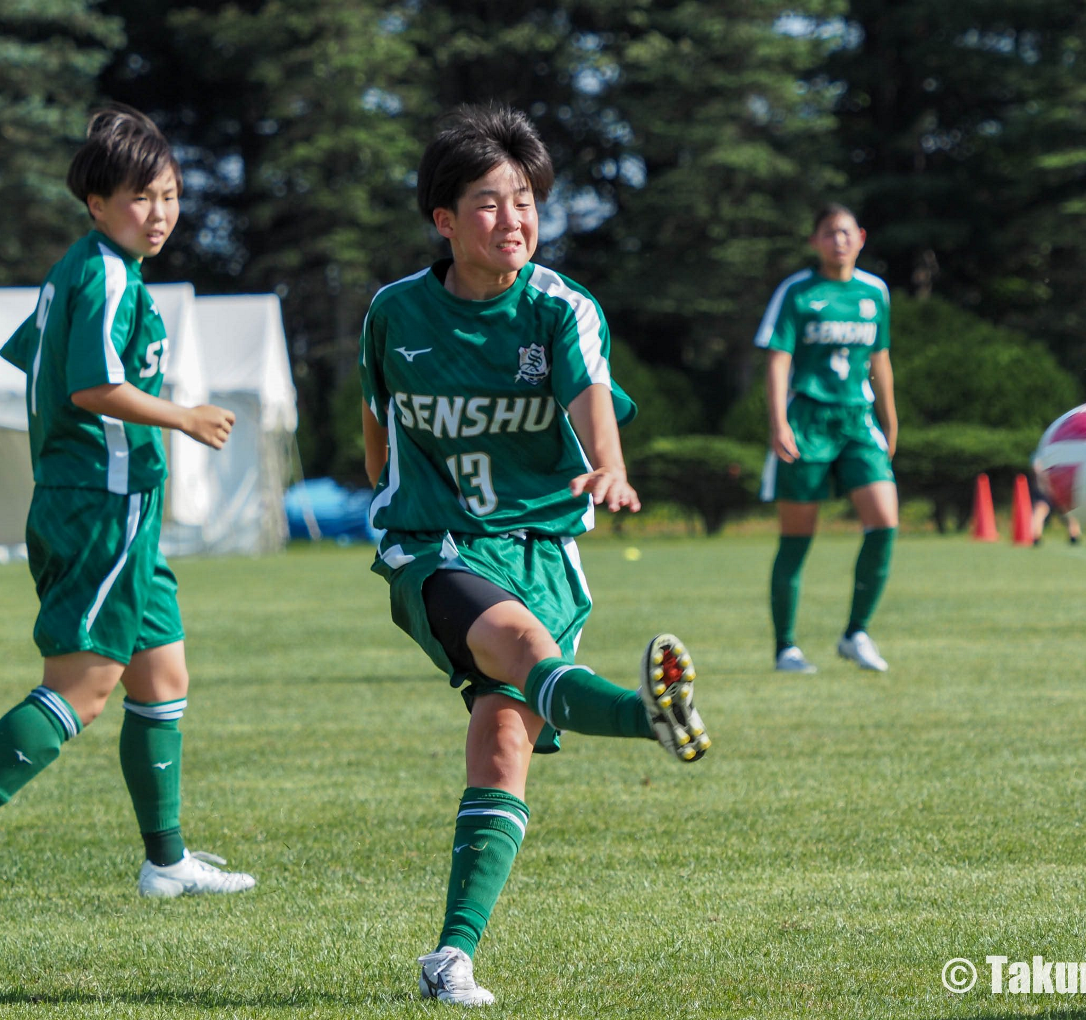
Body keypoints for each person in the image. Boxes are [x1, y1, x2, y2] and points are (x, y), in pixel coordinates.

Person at [359, 103, 711, 1007]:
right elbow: (376, 422)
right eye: (488, 202)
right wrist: (394, 493)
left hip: (544, 549)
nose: (513, 219)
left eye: (524, 200)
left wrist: (611, 468)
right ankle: (648, 716)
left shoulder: (559, 307)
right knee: (523, 654)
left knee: (505, 743)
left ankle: (451, 956)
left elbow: (592, 391)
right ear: (444, 220)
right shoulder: (395, 313)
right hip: (433, 546)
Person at [0, 106, 255, 910]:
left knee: (162, 677)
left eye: (170, 194)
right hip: (99, 507)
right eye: (139, 198)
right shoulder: (106, 273)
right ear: (96, 201)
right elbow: (90, 386)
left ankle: (167, 862)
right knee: (82, 687)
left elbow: (37, 355)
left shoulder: (86, 269)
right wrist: (182, 415)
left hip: (117, 506)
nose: (159, 213)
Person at [756, 203, 899, 674]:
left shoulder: (875, 291)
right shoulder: (797, 292)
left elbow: (880, 359)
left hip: (858, 422)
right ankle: (786, 648)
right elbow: (777, 359)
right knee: (797, 537)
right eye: (827, 233)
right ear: (815, 241)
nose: (838, 240)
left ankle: (856, 632)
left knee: (884, 522)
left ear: (860, 237)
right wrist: (778, 422)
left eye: (845, 232)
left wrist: (890, 418)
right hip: (808, 422)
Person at [1030, 463, 1081, 546]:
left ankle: (1074, 536)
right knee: (1040, 512)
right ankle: (1035, 536)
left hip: (1057, 492)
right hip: (1047, 492)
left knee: (1069, 514)